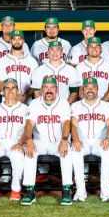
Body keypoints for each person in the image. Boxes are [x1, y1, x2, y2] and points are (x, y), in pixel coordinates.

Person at [20, 76, 75, 206]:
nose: (49, 90)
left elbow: (66, 123)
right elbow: (29, 124)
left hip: (58, 141)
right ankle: (30, 190)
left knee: (66, 151)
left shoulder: (63, 103)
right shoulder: (34, 103)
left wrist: (64, 139)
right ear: (41, 89)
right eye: (46, 87)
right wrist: (29, 140)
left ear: (57, 89)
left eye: (52, 87)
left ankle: (66, 188)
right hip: (40, 141)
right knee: (29, 150)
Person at [70, 78, 109, 202]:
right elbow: (73, 125)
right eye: (87, 87)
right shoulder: (75, 106)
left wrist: (108, 138)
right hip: (82, 141)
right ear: (82, 90)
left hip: (100, 141)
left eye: (93, 87)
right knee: (75, 151)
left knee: (108, 150)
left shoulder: (106, 106)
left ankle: (106, 192)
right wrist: (75, 139)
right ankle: (80, 191)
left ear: (97, 89)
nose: (90, 90)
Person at [0, 79, 29, 200]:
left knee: (17, 155)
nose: (10, 91)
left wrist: (20, 143)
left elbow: (27, 129)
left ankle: (16, 190)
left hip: (16, 141)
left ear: (18, 91)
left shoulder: (25, 109)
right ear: (2, 91)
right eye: (7, 88)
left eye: (13, 88)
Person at [0, 30, 37, 104]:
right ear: (10, 41)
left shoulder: (32, 61)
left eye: (19, 39)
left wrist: (25, 96)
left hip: (27, 102)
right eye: (14, 39)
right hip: (7, 102)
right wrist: (13, 96)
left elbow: (35, 83)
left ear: (23, 41)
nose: (17, 41)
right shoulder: (2, 61)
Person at [75, 37, 109, 102]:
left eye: (97, 46)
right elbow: (80, 89)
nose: (94, 49)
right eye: (91, 46)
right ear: (87, 49)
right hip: (85, 103)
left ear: (101, 49)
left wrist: (101, 104)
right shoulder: (79, 67)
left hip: (105, 102)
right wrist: (87, 104)